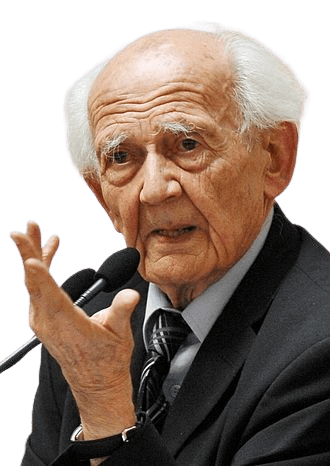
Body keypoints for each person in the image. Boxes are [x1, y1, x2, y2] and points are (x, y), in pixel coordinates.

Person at [11, 22, 330, 465]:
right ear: (101, 195)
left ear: (275, 158)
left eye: (187, 144)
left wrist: (105, 405)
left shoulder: (320, 346)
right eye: (122, 158)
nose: (155, 190)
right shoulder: (84, 325)